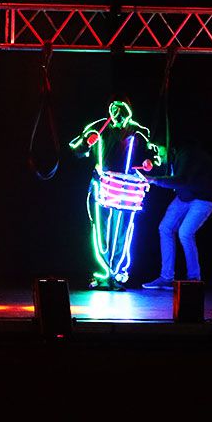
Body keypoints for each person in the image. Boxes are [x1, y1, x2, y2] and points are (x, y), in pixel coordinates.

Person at [69, 99, 162, 290]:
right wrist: (86, 142)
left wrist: (150, 162)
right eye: (114, 111)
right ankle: (103, 272)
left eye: (122, 112)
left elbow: (153, 156)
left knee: (123, 232)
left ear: (128, 113)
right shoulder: (98, 127)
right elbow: (76, 149)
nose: (118, 116)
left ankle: (117, 273)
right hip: (101, 185)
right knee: (101, 231)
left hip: (128, 189)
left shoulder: (139, 132)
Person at [142, 138, 212, 289]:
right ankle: (166, 277)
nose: (157, 154)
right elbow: (170, 175)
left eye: (159, 149)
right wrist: (150, 171)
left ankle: (194, 278)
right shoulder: (175, 157)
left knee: (185, 233)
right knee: (165, 228)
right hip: (186, 195)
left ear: (168, 147)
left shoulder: (187, 154)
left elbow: (181, 180)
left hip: (204, 197)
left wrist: (154, 179)